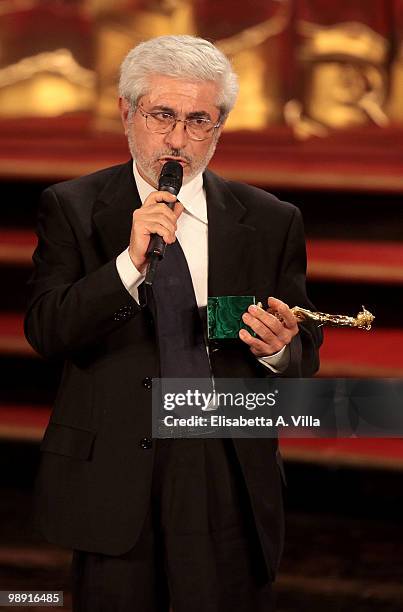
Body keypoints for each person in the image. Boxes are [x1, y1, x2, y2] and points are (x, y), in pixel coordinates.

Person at [24, 35, 322, 612]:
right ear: (126, 112)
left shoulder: (270, 219)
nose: (178, 138)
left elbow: (302, 342)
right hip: (119, 467)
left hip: (226, 464)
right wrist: (128, 265)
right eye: (162, 115)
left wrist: (280, 348)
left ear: (219, 127)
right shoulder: (74, 207)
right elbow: (46, 329)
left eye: (198, 120)